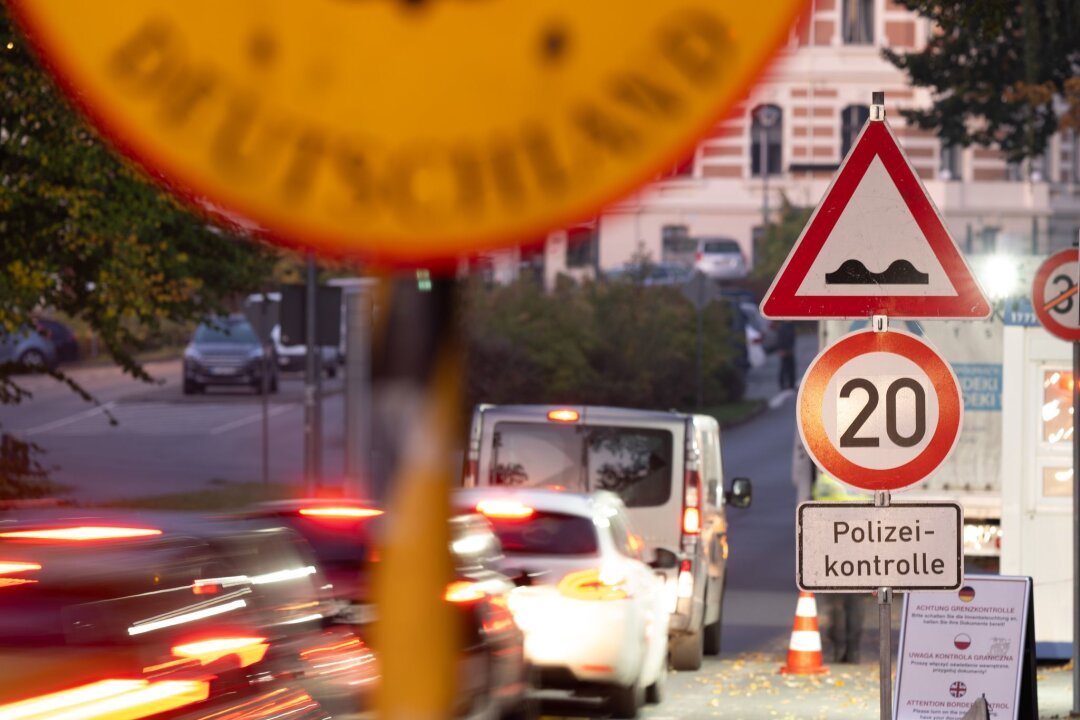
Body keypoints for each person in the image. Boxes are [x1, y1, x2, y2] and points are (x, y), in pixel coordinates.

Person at [811, 469, 870, 663]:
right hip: (860, 549)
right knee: (854, 602)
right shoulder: (864, 478)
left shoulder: (825, 480)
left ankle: (839, 648)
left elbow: (814, 514)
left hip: (832, 550)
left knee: (836, 603)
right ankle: (852, 650)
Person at [775, 321, 796, 390]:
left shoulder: (790, 326)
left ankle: (791, 384)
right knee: (784, 368)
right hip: (785, 350)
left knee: (791, 368)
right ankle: (783, 384)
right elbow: (780, 339)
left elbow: (791, 338)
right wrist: (782, 349)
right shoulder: (783, 327)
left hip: (789, 350)